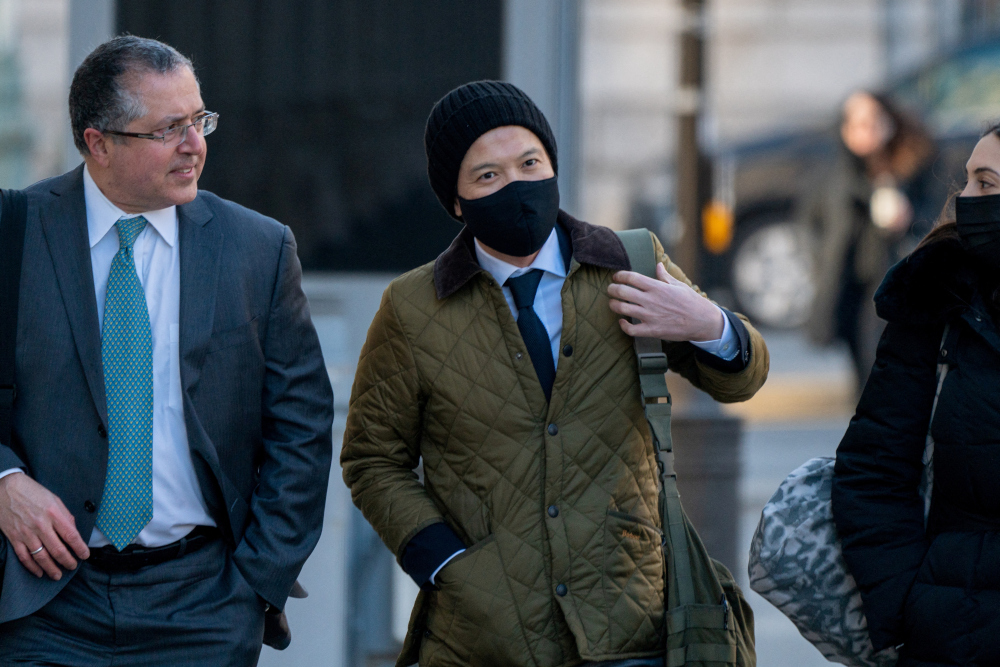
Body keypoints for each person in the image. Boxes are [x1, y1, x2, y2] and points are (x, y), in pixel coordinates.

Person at [341, 81, 769, 667]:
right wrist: (443, 562)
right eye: (487, 175)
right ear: (458, 201)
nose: (516, 186)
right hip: (484, 640)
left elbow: (740, 381)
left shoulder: (630, 261)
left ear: (552, 165)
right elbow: (372, 458)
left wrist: (710, 322)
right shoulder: (412, 308)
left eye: (529, 162)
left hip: (631, 622)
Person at [0, 36, 333, 665]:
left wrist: (254, 583)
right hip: (41, 603)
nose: (195, 145)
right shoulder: (12, 234)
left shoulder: (257, 249)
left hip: (202, 604)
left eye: (199, 120)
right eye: (169, 128)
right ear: (98, 143)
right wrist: (4, 480)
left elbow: (302, 426)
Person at [831, 124, 1000, 665]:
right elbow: (872, 469)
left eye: (987, 185)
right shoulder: (935, 297)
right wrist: (909, 609)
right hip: (952, 636)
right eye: (970, 181)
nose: (966, 199)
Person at [805, 90, 940, 394]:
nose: (865, 131)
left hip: (894, 281)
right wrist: (819, 262)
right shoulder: (836, 171)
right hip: (849, 280)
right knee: (861, 368)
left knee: (883, 360)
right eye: (856, 123)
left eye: (873, 121)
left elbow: (937, 212)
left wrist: (909, 217)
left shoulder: (913, 161)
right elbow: (809, 223)